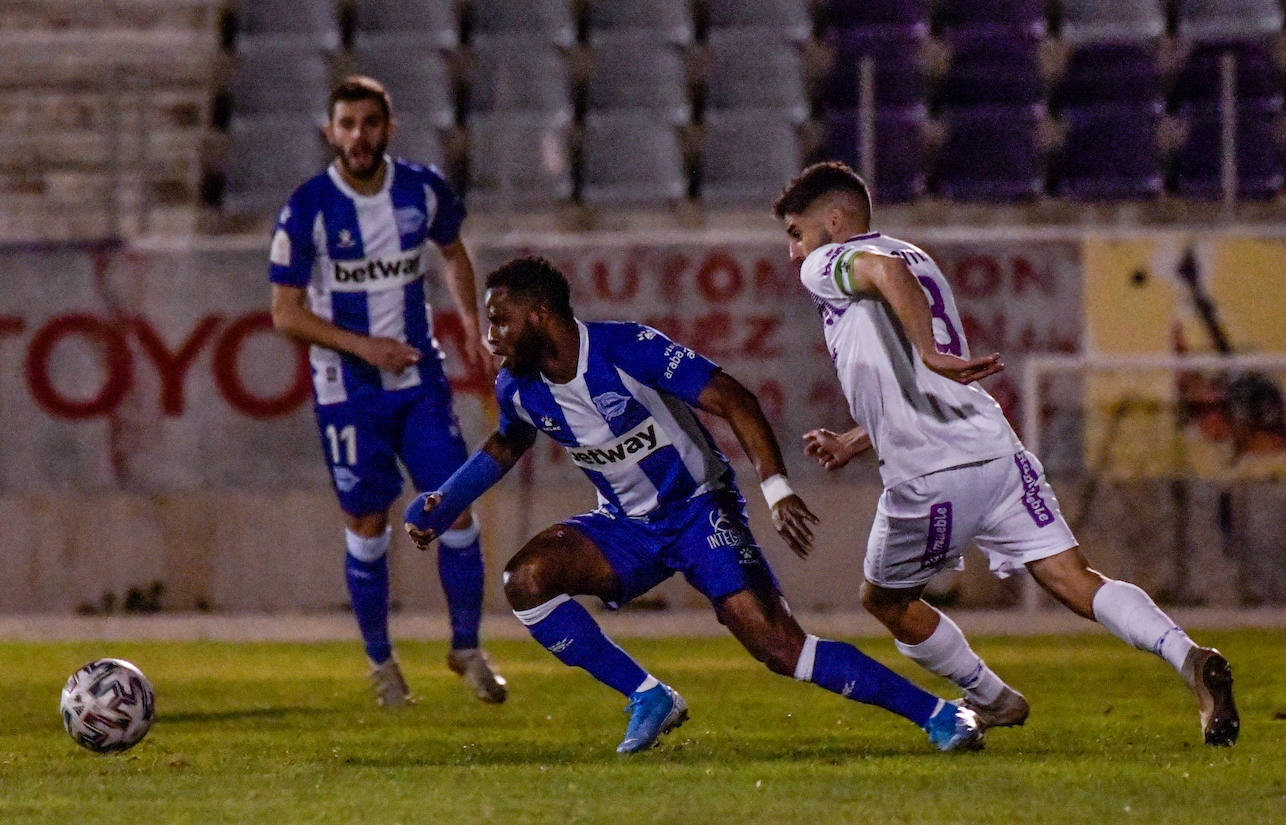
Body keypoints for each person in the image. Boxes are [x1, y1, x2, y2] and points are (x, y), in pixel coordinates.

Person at [403, 255, 984, 754]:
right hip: (625, 527)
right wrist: (446, 498)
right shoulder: (518, 386)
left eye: (500, 322)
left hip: (701, 510)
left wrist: (775, 488)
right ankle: (648, 696)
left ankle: (940, 715)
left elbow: (733, 398)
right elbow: (509, 441)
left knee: (778, 646)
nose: (489, 337)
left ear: (539, 317)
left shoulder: (625, 348)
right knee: (526, 580)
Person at [773, 160, 1239, 747]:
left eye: (796, 234)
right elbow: (922, 369)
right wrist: (857, 437)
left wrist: (928, 351)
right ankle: (1189, 656)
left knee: (885, 600)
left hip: (929, 475)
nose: (793, 254)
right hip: (995, 452)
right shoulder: (920, 258)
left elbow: (882, 274)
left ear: (834, 223)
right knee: (1074, 579)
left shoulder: (834, 263)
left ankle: (993, 698)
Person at [268, 76, 506, 707]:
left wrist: (471, 325)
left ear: (387, 128)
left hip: (418, 380)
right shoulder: (308, 208)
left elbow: (454, 254)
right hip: (347, 390)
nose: (358, 136)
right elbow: (285, 313)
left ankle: (466, 648)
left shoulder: (422, 189)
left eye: (369, 123)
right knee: (367, 523)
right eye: (346, 124)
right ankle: (381, 662)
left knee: (455, 506)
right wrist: (363, 347)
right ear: (330, 132)